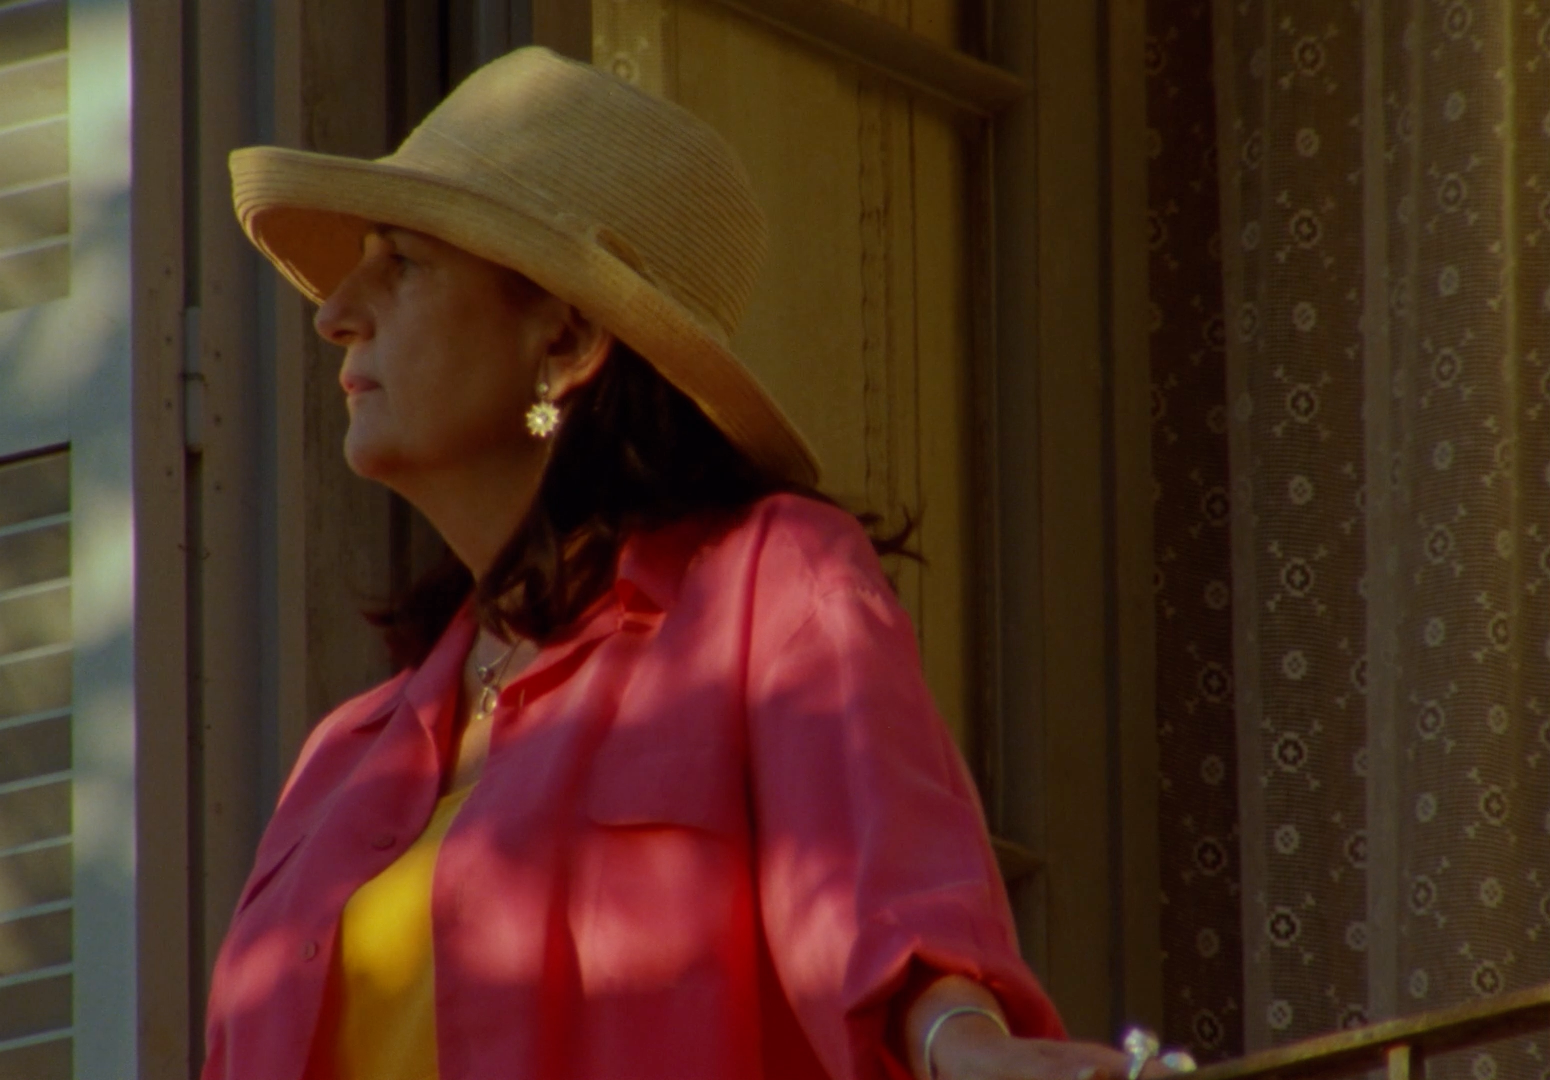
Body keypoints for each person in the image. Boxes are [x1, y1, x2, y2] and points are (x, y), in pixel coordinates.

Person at [208, 45, 1168, 1080]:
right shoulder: (340, 761)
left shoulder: (769, 587)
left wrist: (967, 1049)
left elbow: (882, 908)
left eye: (401, 260)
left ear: (567, 342)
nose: (333, 311)